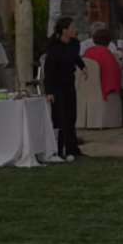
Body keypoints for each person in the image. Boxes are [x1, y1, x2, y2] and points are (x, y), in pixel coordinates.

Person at [43, 17, 87, 160]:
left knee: (71, 115)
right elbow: (48, 71)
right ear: (64, 31)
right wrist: (49, 91)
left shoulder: (75, 44)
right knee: (59, 117)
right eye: (72, 28)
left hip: (69, 83)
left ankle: (72, 148)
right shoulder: (55, 48)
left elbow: (75, 58)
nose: (75, 30)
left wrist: (83, 66)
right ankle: (57, 148)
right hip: (56, 86)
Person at [81, 28, 123, 103]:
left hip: (88, 90)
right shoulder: (107, 54)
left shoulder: (88, 52)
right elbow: (115, 73)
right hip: (105, 93)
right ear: (108, 41)